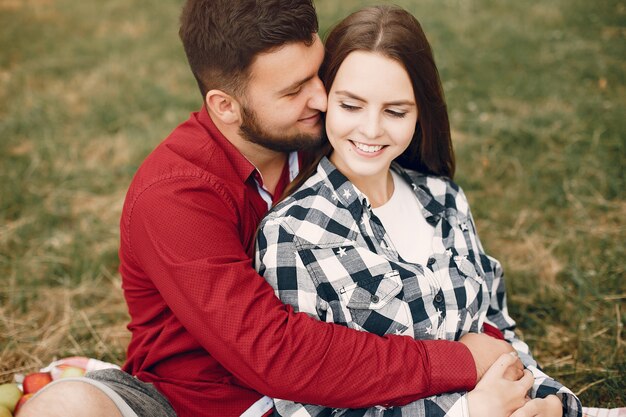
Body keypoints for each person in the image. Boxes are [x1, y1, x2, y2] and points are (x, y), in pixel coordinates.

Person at [18, 1, 519, 417]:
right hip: (195, 403)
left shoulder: (332, 133)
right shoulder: (173, 197)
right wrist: (454, 362)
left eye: (316, 72)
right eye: (293, 90)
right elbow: (272, 351)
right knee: (64, 407)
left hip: (348, 390)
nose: (323, 98)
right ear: (225, 106)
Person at [255, 5, 583, 417]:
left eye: (395, 111)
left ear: (420, 112)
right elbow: (304, 406)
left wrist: (553, 401)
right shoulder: (295, 235)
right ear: (325, 100)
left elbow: (497, 327)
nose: (371, 130)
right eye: (351, 106)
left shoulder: (443, 198)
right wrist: (467, 412)